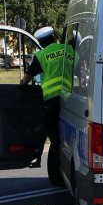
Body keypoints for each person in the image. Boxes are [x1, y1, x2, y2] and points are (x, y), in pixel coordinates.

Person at [21, 27, 65, 168]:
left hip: (51, 99)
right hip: (70, 97)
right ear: (53, 37)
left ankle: (54, 149)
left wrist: (20, 87)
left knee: (47, 125)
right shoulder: (69, 51)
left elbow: (27, 78)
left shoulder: (41, 56)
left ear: (40, 42)